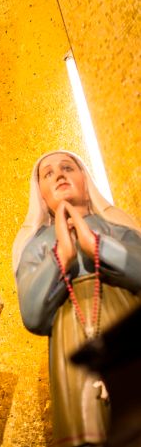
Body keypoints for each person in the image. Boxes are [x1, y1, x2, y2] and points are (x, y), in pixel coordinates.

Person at [13, 150, 141, 447]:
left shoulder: (118, 229)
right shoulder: (36, 246)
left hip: (127, 329)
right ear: (41, 195)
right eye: (48, 173)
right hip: (72, 341)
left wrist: (98, 246)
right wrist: (62, 255)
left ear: (85, 179)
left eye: (68, 167)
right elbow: (31, 314)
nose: (59, 174)